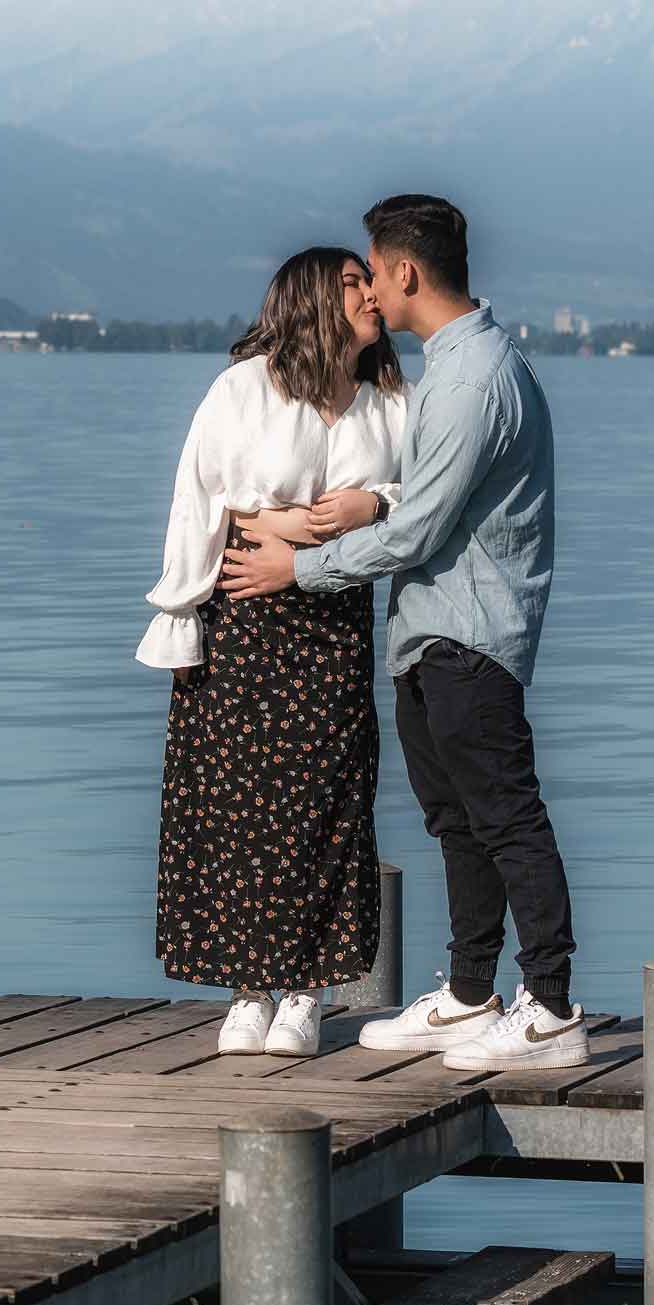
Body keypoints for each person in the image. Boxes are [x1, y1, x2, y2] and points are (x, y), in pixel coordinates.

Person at [220, 195, 584, 1071]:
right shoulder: (449, 371)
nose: (370, 289)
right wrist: (366, 508)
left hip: (470, 633)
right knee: (455, 821)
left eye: (374, 272)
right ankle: (469, 992)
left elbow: (417, 531)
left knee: (506, 818)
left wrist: (295, 569)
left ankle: (552, 1009)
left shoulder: (471, 379)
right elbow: (416, 500)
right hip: (430, 631)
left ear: (406, 272)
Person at [138, 248, 410, 1058]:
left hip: (333, 622)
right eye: (353, 285)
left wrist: (364, 505)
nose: (370, 296)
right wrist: (181, 619)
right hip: (243, 615)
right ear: (311, 303)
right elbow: (197, 503)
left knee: (328, 804)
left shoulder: (390, 398)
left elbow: (420, 497)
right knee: (237, 806)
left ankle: (306, 990)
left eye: (371, 282)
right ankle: (248, 989)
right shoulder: (243, 389)